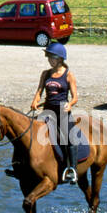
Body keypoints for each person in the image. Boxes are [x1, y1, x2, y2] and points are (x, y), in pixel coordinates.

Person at [29, 42, 79, 184]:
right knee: (32, 133)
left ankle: (72, 170)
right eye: (49, 57)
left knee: (69, 138)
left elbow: (75, 97)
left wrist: (70, 104)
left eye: (52, 58)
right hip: (48, 109)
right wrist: (35, 101)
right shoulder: (45, 74)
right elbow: (39, 91)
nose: (49, 60)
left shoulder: (69, 75)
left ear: (60, 59)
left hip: (63, 109)